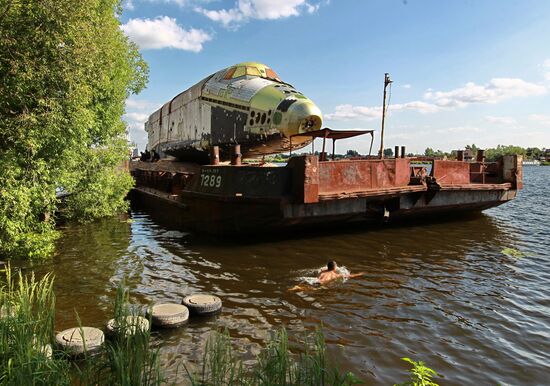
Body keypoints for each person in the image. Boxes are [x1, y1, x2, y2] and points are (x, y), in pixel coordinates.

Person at [288, 261, 365, 292]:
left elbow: (325, 267)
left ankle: (299, 286)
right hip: (320, 284)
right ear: (335, 268)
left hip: (315, 280)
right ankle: (298, 288)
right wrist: (360, 274)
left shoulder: (323, 270)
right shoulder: (336, 275)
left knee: (309, 285)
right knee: (312, 290)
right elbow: (350, 276)